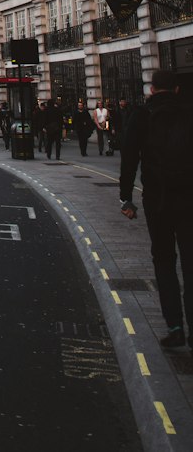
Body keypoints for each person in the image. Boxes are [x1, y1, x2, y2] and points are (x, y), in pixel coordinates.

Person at [120, 69, 193, 350]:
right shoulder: (188, 113)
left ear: (151, 89)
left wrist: (126, 196)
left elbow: (129, 157)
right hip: (188, 198)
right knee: (190, 263)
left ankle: (174, 326)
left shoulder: (143, 114)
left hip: (157, 199)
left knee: (164, 261)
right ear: (176, 89)